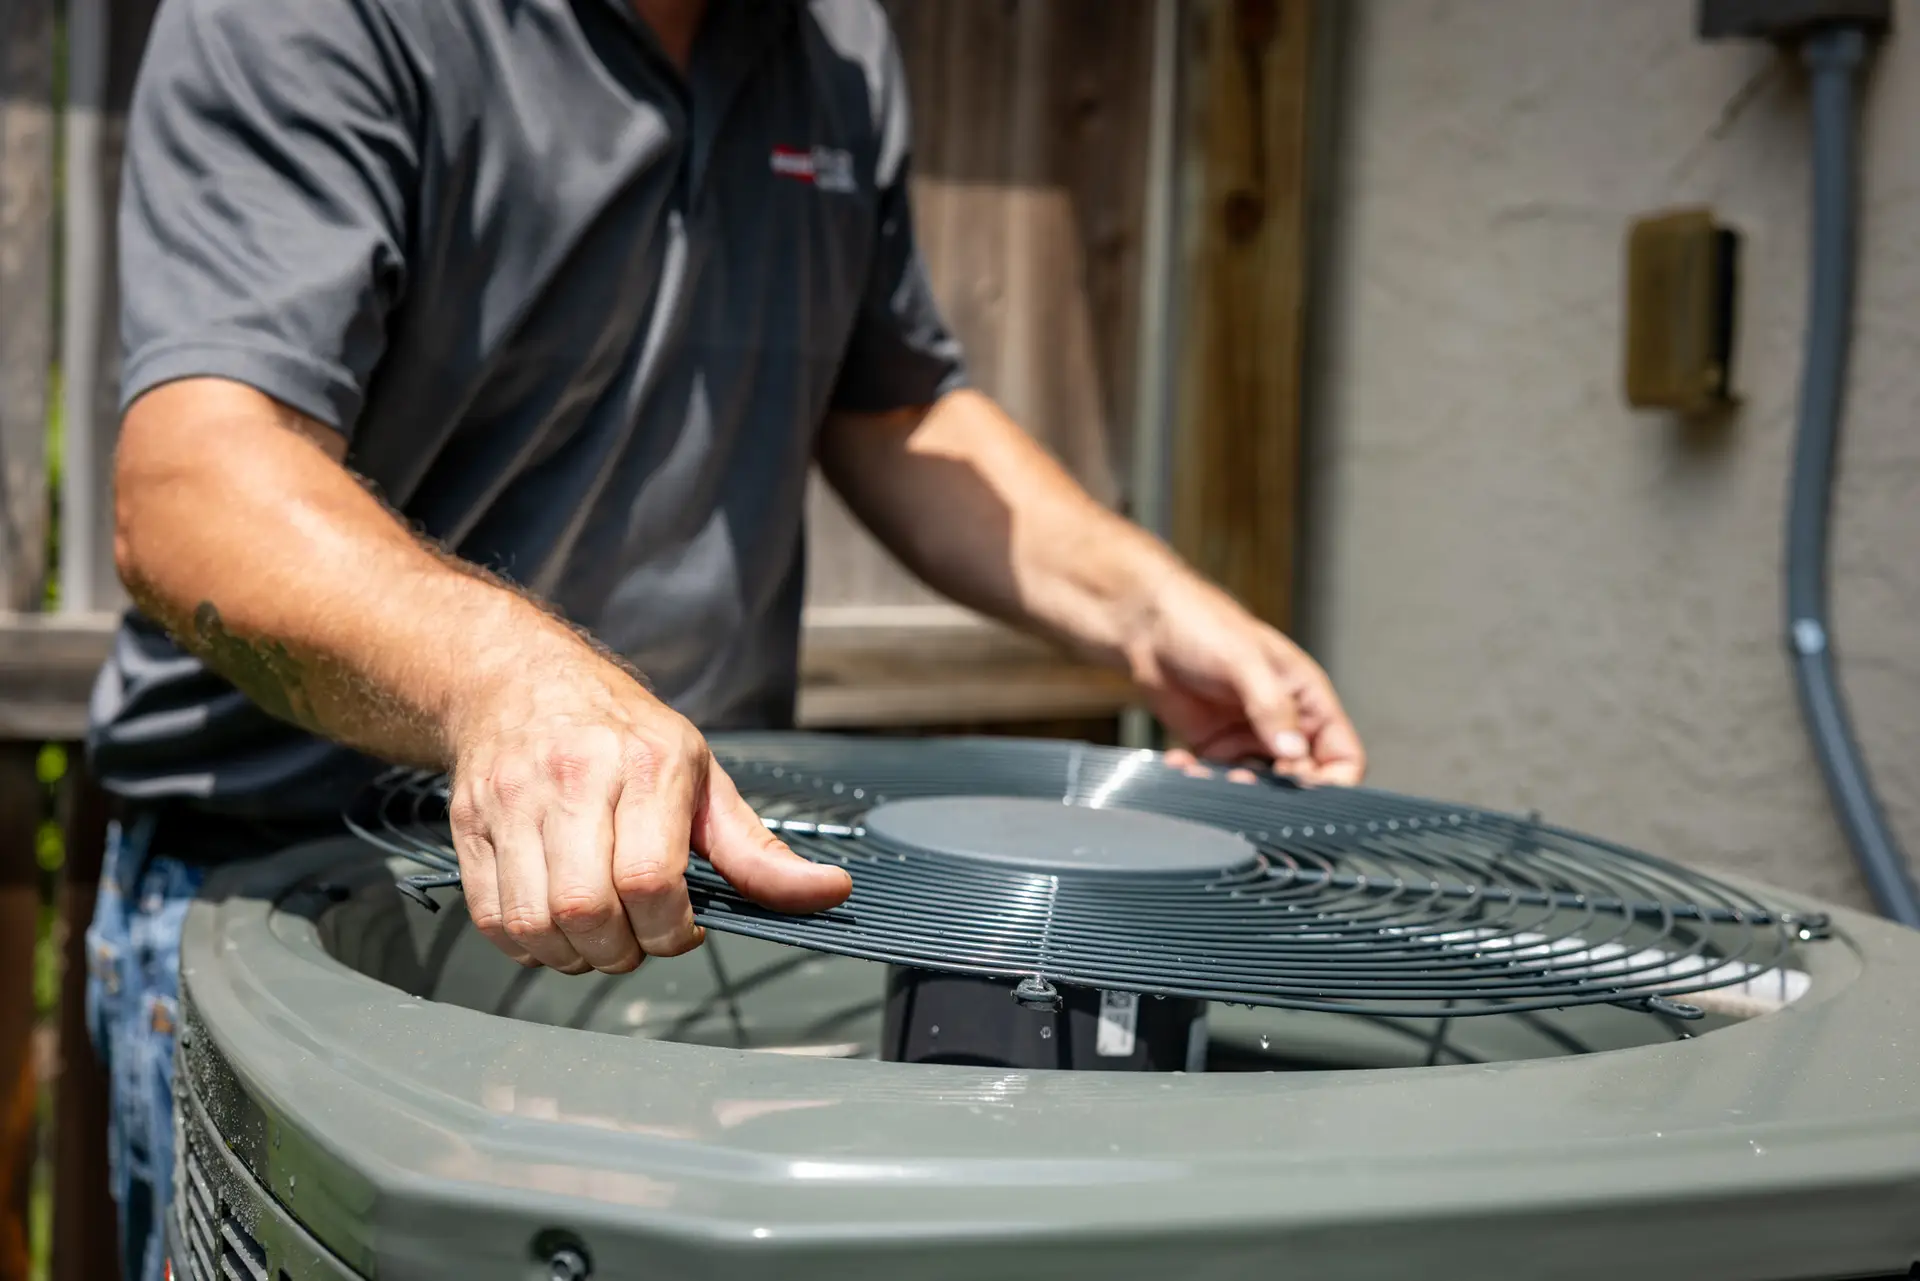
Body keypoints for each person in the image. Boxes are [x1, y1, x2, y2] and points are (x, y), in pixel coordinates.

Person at [82, 0, 1366, 1277]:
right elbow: (193, 488)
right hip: (301, 916)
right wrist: (514, 685)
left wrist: (1154, 614)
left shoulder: (837, 47)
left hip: (681, 936)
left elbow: (895, 409)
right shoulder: (323, 20)